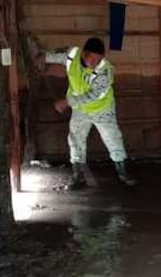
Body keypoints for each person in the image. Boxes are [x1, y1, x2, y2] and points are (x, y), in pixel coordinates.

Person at [42, 37, 136, 188]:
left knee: (112, 139)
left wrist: (67, 102)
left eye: (99, 60)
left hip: (102, 109)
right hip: (80, 110)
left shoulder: (105, 71)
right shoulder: (72, 55)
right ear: (84, 54)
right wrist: (42, 57)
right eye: (93, 59)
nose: (95, 63)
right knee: (75, 139)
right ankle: (77, 176)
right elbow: (52, 55)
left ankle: (123, 172)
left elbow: (92, 96)